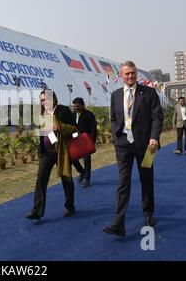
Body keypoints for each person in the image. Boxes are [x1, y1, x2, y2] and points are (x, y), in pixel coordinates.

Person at [103, 61, 163, 237]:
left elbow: (157, 117)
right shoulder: (115, 95)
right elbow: (113, 117)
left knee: (146, 179)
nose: (130, 76)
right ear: (121, 75)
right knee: (123, 182)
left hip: (146, 145)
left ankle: (148, 214)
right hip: (123, 144)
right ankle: (118, 223)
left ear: (137, 74)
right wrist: (116, 137)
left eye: (133, 73)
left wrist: (154, 137)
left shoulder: (149, 93)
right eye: (127, 73)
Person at [26, 90, 78, 220]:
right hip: (47, 153)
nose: (44, 102)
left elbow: (76, 131)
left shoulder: (63, 110)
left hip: (62, 152)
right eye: (42, 100)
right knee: (41, 180)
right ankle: (37, 211)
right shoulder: (42, 114)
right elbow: (44, 133)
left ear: (54, 99)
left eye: (46, 99)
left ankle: (70, 206)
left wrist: (60, 127)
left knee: (66, 179)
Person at [72, 97, 97, 188]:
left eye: (77, 106)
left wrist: (92, 141)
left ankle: (87, 179)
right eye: (74, 106)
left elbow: (93, 128)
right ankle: (81, 171)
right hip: (75, 140)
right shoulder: (73, 114)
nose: (76, 108)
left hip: (86, 140)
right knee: (73, 158)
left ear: (83, 105)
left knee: (87, 160)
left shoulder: (89, 115)